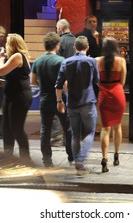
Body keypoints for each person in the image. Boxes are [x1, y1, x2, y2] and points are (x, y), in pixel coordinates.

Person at [55, 36, 99, 175]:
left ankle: (77, 161)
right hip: (88, 101)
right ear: (87, 47)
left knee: (75, 134)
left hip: (72, 103)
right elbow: (97, 80)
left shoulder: (66, 62)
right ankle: (80, 159)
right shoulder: (92, 61)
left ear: (74, 48)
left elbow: (58, 85)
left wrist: (59, 102)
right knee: (89, 132)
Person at [30, 32, 73, 167]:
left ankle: (47, 160)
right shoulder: (61, 61)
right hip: (59, 99)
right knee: (67, 127)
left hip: (44, 99)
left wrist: (42, 86)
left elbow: (32, 81)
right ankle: (71, 155)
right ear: (56, 45)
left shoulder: (38, 61)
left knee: (45, 129)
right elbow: (65, 83)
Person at [0, 33, 32, 162]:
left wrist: (1, 58)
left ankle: (26, 158)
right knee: (6, 126)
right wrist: (4, 82)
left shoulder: (17, 56)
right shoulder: (17, 57)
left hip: (19, 96)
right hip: (11, 95)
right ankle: (8, 155)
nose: (5, 46)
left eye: (7, 43)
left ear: (12, 44)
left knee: (16, 128)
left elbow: (1, 71)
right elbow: (17, 77)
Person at [95, 37, 127, 173]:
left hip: (103, 94)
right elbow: (123, 81)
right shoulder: (121, 61)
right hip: (117, 94)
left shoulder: (97, 61)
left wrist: (103, 85)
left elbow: (96, 80)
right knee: (117, 126)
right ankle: (116, 155)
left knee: (105, 128)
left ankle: (104, 158)